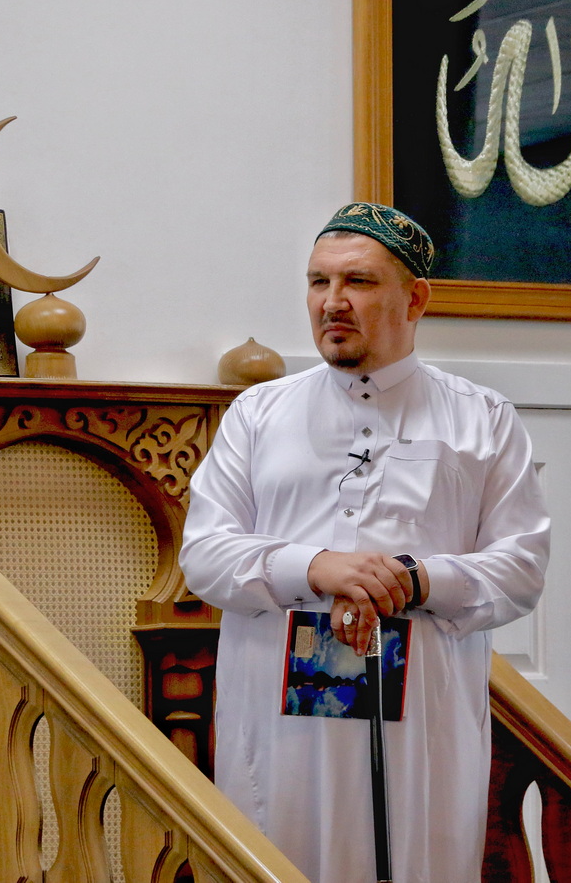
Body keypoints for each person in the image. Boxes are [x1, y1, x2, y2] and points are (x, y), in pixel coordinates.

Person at [180, 202, 550, 883]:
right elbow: (204, 553)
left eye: (358, 281)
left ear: (416, 299)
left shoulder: (481, 419)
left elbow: (521, 566)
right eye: (318, 282)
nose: (332, 302)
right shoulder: (257, 414)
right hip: (280, 725)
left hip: (422, 725)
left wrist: (414, 580)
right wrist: (316, 567)